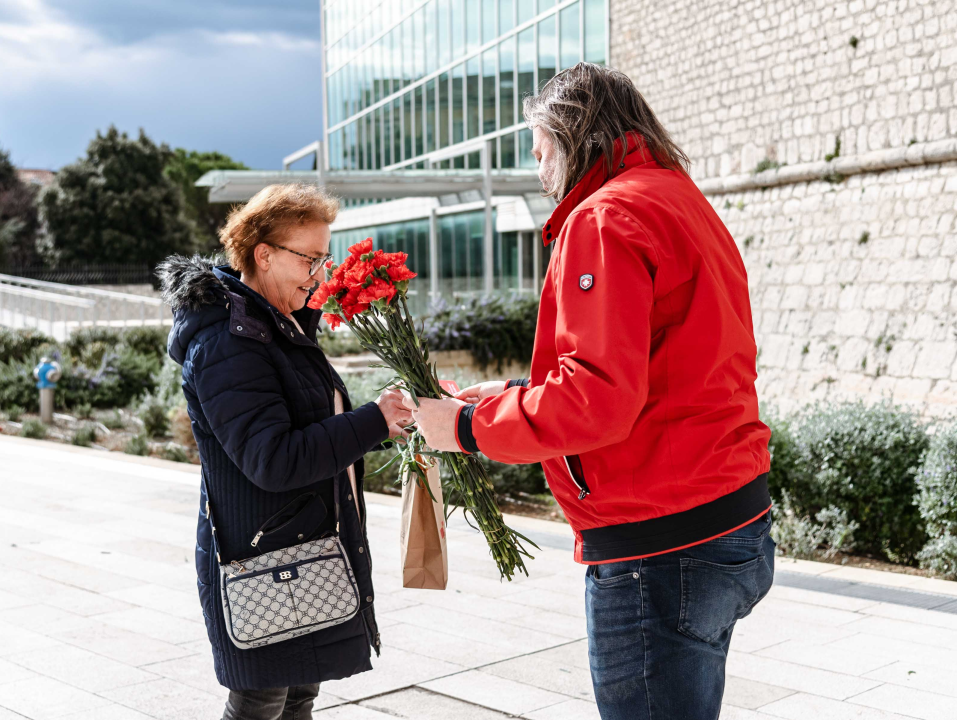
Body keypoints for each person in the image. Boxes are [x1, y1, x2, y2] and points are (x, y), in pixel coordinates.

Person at [407, 63, 775, 720]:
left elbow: (597, 400)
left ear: (570, 135)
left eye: (538, 144)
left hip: (660, 544)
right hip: (730, 519)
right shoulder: (676, 198)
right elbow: (660, 366)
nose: (534, 160)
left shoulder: (605, 217)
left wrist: (463, 429)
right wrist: (508, 396)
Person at [158, 183, 410, 720]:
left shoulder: (275, 327)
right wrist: (375, 420)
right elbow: (274, 460)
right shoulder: (230, 341)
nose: (320, 273)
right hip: (265, 560)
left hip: (299, 554)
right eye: (310, 259)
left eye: (325, 258)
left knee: (298, 699)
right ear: (263, 254)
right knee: (261, 703)